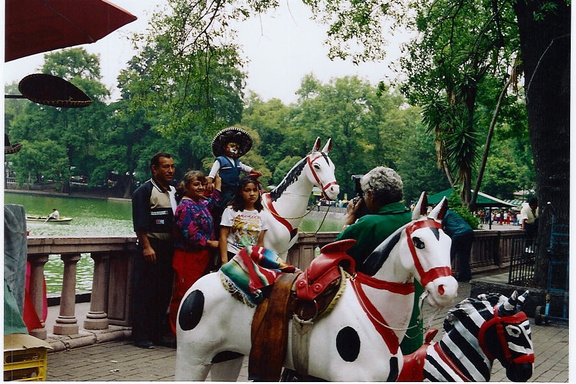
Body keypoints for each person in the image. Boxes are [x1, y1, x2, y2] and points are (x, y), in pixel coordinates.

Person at [334, 166, 422, 355]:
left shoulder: (368, 225)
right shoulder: (417, 222)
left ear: (371, 195)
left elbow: (333, 254)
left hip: (373, 318)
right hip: (411, 314)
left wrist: (349, 221)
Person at [131, 152, 177, 349]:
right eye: (165, 167)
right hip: (151, 247)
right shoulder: (144, 191)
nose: (170, 170)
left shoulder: (175, 191)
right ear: (154, 168)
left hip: (169, 249)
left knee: (163, 292)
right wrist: (146, 246)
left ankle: (157, 333)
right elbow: (139, 223)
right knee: (145, 292)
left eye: (172, 166)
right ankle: (141, 335)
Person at [169, 170, 221, 336]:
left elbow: (213, 204)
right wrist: (210, 242)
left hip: (202, 256)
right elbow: (190, 234)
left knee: (197, 293)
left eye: (202, 184)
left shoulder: (201, 203)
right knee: (183, 293)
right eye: (196, 184)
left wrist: (217, 185)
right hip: (188, 256)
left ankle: (191, 330)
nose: (200, 187)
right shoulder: (185, 207)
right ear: (187, 186)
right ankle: (176, 331)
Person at [207, 127, 262, 213]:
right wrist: (210, 180)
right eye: (232, 146)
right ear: (225, 147)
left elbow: (244, 167)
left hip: (236, 187)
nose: (235, 149)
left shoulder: (237, 161)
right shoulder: (220, 160)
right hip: (225, 188)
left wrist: (253, 171)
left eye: (237, 147)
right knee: (226, 202)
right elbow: (213, 171)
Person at [219, 176, 270, 265]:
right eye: (247, 190)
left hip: (251, 258)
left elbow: (260, 243)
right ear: (240, 192)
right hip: (232, 255)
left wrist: (256, 263)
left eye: (255, 190)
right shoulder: (231, 211)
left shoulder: (262, 214)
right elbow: (223, 237)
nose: (252, 194)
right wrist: (224, 261)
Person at [442, 209, 474, 282]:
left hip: (458, 234)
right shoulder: (452, 213)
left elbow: (439, 227)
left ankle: (446, 274)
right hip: (469, 232)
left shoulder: (443, 215)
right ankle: (466, 275)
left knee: (450, 255)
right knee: (464, 256)